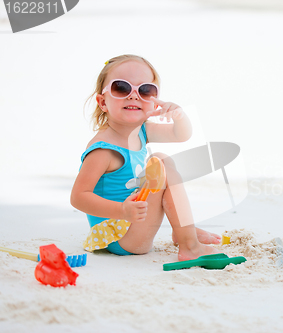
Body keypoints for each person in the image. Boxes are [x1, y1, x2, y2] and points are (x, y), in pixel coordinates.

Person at [70, 54, 221, 261]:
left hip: (135, 223)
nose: (133, 96)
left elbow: (181, 135)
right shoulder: (104, 151)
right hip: (120, 237)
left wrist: (179, 115)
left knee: (162, 160)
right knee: (160, 163)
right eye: (121, 88)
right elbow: (78, 197)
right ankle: (190, 246)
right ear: (102, 102)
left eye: (145, 90)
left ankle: (182, 230)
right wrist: (122, 210)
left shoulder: (141, 131)